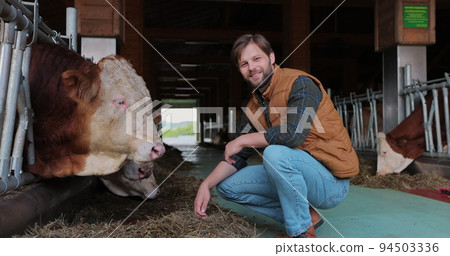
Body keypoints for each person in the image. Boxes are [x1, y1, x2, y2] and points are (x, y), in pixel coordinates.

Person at [194, 34, 359, 238]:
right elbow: (236, 157)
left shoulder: (300, 84)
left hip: (330, 182)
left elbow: (292, 136)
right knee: (227, 186)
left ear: (271, 57)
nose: (251, 67)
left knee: (275, 153)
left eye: (257, 59)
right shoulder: (254, 106)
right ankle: (306, 216)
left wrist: (242, 139)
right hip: (296, 171)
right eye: (244, 63)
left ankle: (300, 234)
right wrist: (205, 185)